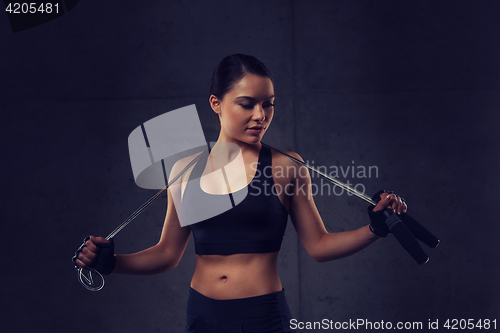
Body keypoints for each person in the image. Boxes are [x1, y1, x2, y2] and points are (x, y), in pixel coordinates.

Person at [74, 54, 407, 333]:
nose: (260, 116)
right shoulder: (183, 170)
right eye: (247, 104)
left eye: (268, 105)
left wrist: (374, 230)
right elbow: (167, 254)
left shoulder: (286, 167)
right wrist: (111, 263)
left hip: (261, 316)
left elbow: (319, 246)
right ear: (216, 104)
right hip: (202, 316)